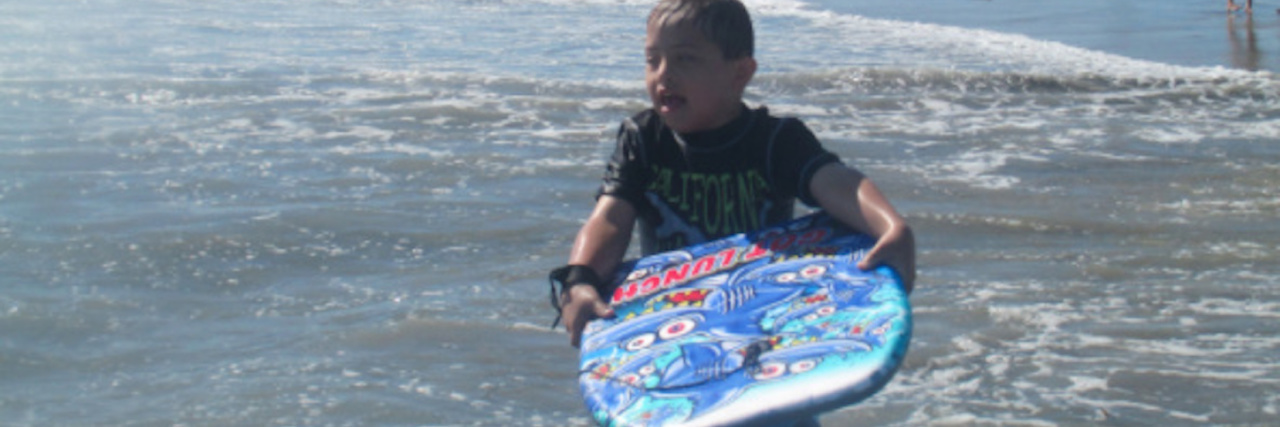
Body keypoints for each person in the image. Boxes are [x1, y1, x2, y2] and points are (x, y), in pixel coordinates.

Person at [550, 0, 916, 350]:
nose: (663, 74)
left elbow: (837, 183)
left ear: (739, 73)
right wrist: (580, 278)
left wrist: (891, 227)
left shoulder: (776, 141)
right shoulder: (643, 139)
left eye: (685, 59)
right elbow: (611, 218)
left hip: (762, 318)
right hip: (673, 318)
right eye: (652, 60)